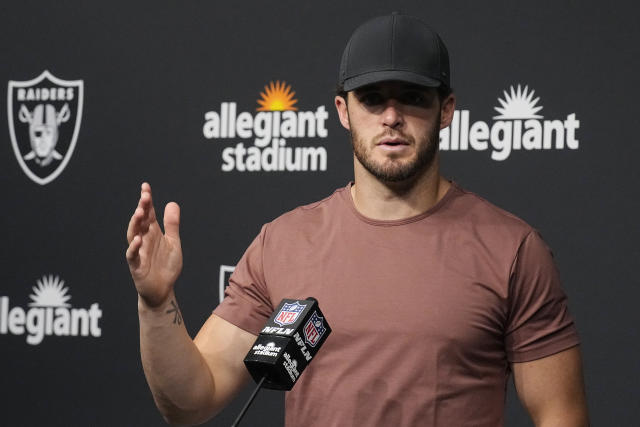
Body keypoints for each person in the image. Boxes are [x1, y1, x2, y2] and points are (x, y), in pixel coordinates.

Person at [126, 13, 589, 427]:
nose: (391, 116)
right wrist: (155, 301)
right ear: (343, 111)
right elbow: (190, 402)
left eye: (412, 97)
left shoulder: (512, 249)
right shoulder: (282, 242)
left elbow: (560, 414)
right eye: (372, 99)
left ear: (445, 110)